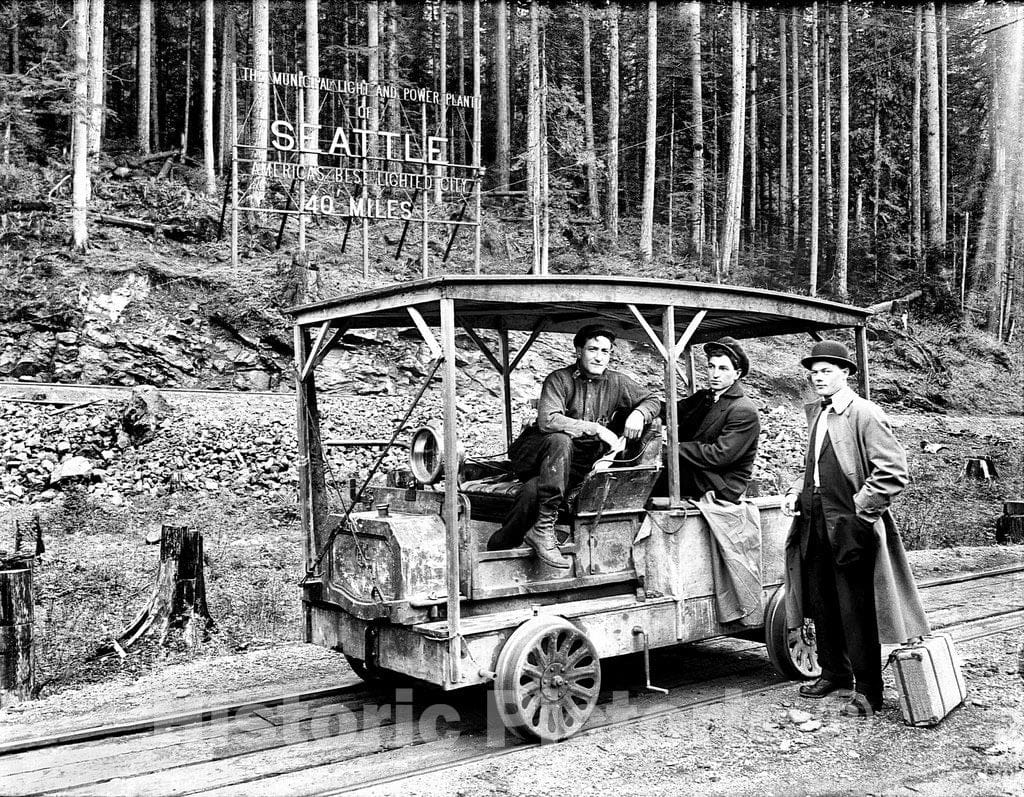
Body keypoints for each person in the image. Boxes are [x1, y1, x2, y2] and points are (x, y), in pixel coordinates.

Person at [781, 340, 929, 718]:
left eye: (827, 371)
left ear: (846, 374)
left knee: (856, 607)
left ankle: (868, 690)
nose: (818, 378)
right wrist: (796, 495)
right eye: (813, 372)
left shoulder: (864, 413)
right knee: (821, 600)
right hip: (813, 521)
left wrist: (860, 514)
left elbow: (893, 472)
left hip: (850, 523)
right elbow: (813, 470)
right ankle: (834, 673)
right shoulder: (818, 412)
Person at [486, 324, 660, 568]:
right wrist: (596, 428)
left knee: (532, 492)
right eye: (592, 349)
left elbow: (653, 399)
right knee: (561, 439)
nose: (599, 356)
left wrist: (640, 414)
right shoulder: (559, 379)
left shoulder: (617, 383)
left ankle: (501, 544)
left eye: (605, 351)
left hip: (570, 466)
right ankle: (545, 527)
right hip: (536, 455)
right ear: (579, 351)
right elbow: (548, 420)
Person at [671, 336, 760, 502]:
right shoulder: (704, 397)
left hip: (721, 484)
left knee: (654, 474)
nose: (715, 374)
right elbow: (671, 411)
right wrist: (641, 409)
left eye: (723, 369)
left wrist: (674, 448)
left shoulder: (743, 410)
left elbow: (719, 456)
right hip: (697, 472)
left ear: (737, 373)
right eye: (711, 367)